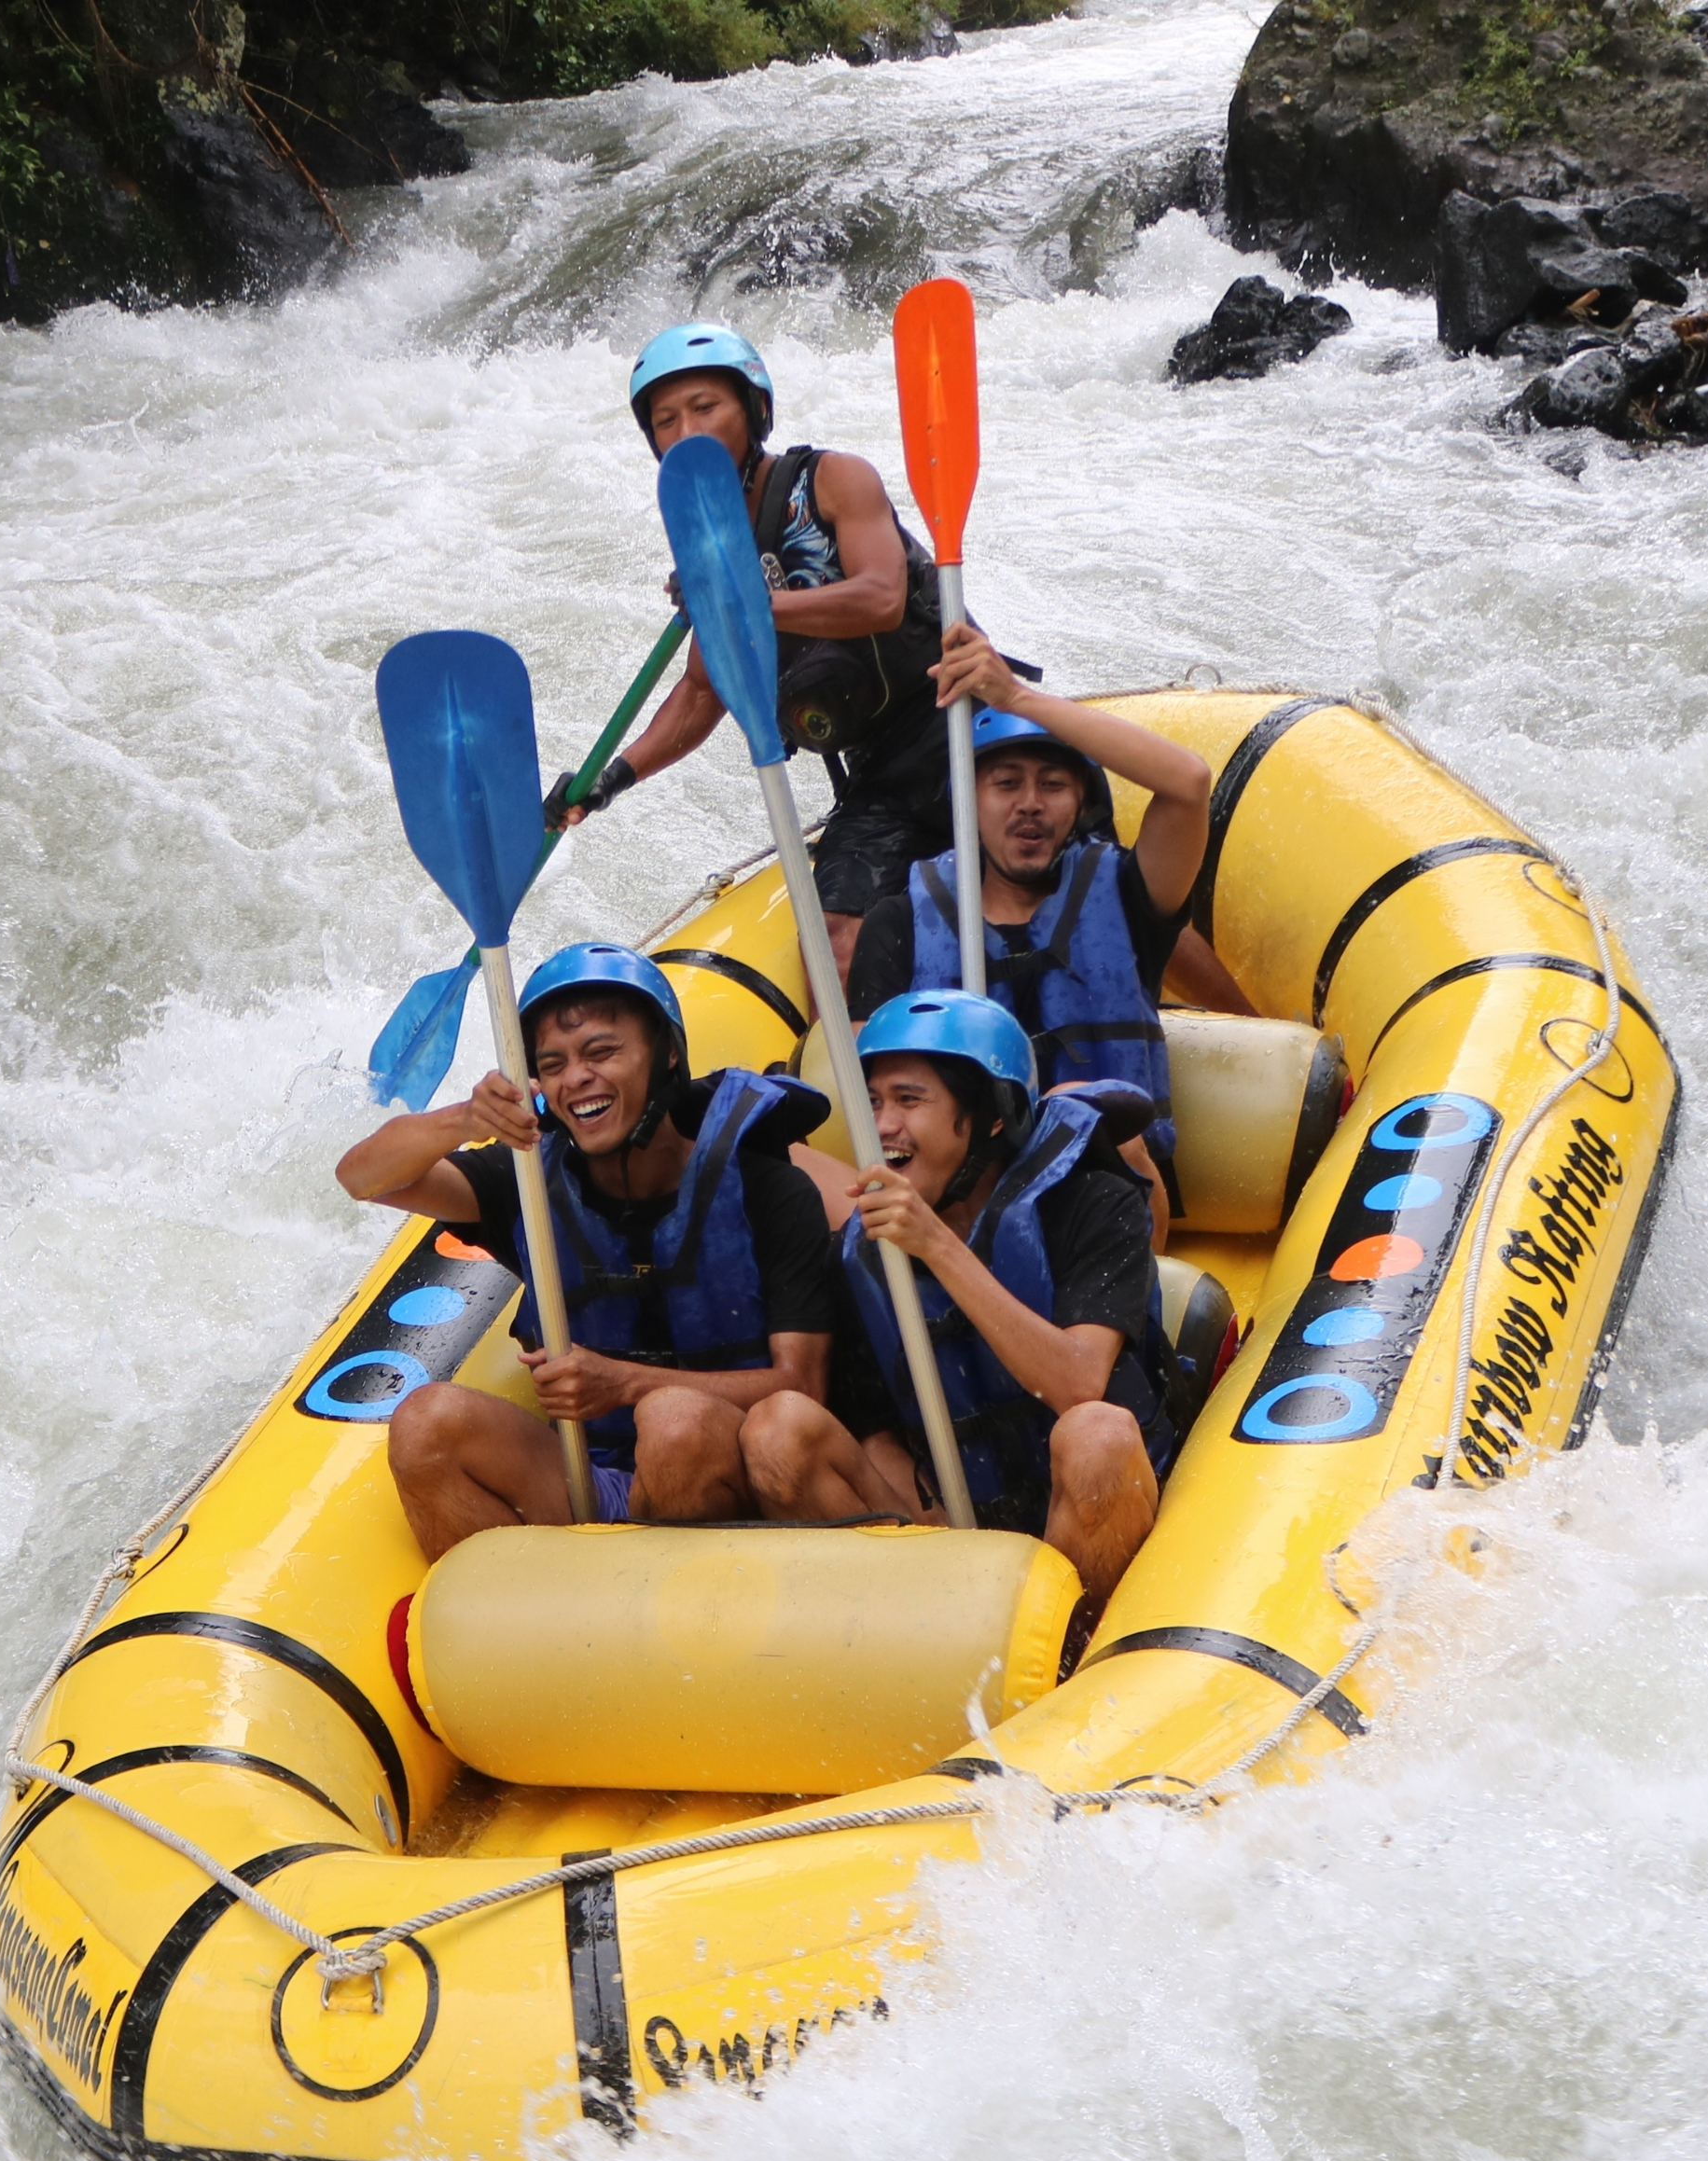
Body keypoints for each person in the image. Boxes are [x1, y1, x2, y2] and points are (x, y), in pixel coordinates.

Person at [333, 943, 841, 1557]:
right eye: (554, 1064)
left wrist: (625, 1384)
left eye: (602, 1052)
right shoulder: (527, 1181)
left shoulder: (769, 1189)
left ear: (668, 1053)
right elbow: (362, 1178)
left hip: (728, 1475)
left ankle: (665, 1623)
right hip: (588, 1477)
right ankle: (531, 1632)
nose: (576, 1077)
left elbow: (802, 1388)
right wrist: (466, 1119)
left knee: (674, 1422)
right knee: (424, 1425)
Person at [556, 321, 967, 976]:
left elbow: (881, 596)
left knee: (1059, 883)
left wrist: (746, 605)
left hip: (959, 724)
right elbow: (703, 688)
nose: (686, 430)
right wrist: (608, 781)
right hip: (877, 777)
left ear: (753, 411)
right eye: (665, 420)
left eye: (705, 407)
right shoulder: (711, 549)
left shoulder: (834, 478)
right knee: (833, 935)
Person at [742, 991, 1179, 1600]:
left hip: (1085, 1502)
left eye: (909, 1100)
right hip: (955, 1517)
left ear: (992, 1117)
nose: (883, 1124)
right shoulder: (863, 1253)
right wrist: (929, 1525)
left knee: (1096, 1435)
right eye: (872, 1102)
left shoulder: (1093, 1203)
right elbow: (875, 1430)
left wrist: (939, 1249)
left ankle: (1068, 1645)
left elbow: (1077, 1384)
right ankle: (914, 1632)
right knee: (776, 1430)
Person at [842, 623, 1215, 1242]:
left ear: (1080, 804)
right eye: (1005, 783)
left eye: (1053, 784)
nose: (1030, 804)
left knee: (1085, 1114)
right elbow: (873, 1094)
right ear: (970, 800)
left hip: (1109, 1195)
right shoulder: (901, 921)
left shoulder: (1128, 893)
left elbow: (1190, 783)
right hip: (962, 1197)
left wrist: (1015, 697)